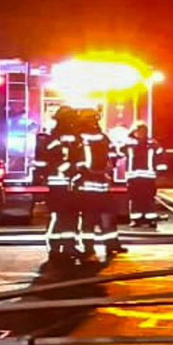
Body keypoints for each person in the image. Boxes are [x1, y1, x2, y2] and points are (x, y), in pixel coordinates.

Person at [72, 108, 124, 261]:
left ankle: (105, 245)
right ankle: (93, 247)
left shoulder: (82, 136)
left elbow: (112, 154)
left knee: (101, 217)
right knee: (95, 218)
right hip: (94, 183)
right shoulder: (97, 137)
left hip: (92, 183)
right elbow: (113, 154)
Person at [35, 106, 80, 268]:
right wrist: (68, 169)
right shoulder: (62, 138)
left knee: (67, 217)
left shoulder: (54, 137)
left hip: (64, 184)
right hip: (63, 183)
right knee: (63, 216)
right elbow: (50, 161)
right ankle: (59, 248)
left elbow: (42, 163)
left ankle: (65, 248)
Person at [121, 122, 167, 227]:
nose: (140, 133)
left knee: (149, 199)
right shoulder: (128, 144)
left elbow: (160, 156)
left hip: (148, 176)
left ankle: (150, 219)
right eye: (138, 131)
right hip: (133, 177)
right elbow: (118, 152)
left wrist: (161, 170)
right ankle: (136, 220)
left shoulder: (152, 143)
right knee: (135, 199)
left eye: (142, 131)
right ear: (133, 132)